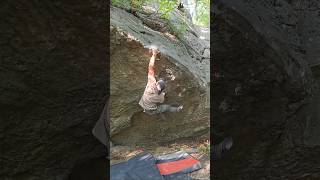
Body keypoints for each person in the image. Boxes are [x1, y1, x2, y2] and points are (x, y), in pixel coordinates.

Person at [139, 48, 183, 115]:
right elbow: (162, 101)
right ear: (162, 90)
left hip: (143, 103)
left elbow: (150, 67)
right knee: (166, 107)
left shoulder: (150, 84)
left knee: (156, 104)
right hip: (151, 110)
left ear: (156, 83)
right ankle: (177, 109)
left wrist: (154, 55)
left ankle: (159, 112)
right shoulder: (160, 97)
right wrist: (163, 94)